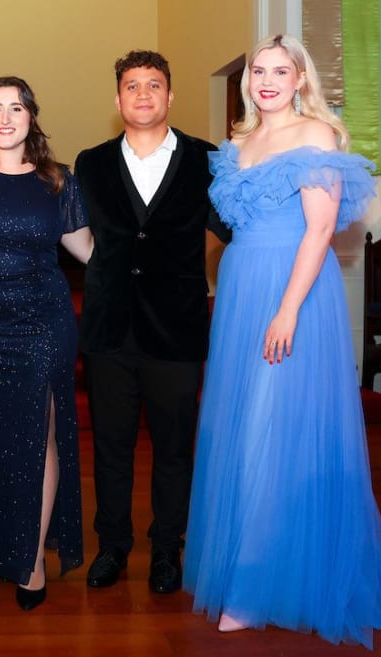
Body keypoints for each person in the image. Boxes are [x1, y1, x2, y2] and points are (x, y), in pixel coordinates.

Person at [182, 34, 381, 647]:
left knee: (277, 432)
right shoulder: (236, 144)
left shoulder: (314, 136)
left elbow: (321, 228)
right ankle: (249, 572)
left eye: (282, 70)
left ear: (301, 79)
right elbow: (224, 232)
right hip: (243, 293)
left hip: (292, 292)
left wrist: (287, 310)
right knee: (242, 428)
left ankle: (256, 587)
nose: (268, 80)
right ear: (248, 79)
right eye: (259, 70)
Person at [75, 51, 231, 594]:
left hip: (177, 329)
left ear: (171, 96)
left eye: (154, 85)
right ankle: (113, 547)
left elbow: (232, 227)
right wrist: (102, 267)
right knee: (111, 448)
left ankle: (168, 548)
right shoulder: (90, 162)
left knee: (174, 448)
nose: (143, 94)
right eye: (132, 85)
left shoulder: (208, 160)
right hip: (108, 329)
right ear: (117, 99)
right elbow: (75, 230)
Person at [0, 76, 92, 611]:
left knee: (41, 436)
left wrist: (148, 272)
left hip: (43, 324)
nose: (6, 117)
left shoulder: (58, 181)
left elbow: (86, 250)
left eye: (16, 107)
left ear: (32, 117)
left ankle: (31, 560)